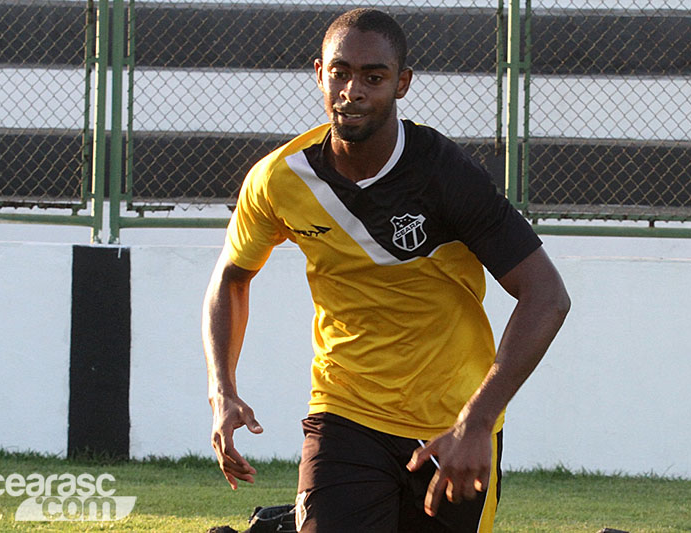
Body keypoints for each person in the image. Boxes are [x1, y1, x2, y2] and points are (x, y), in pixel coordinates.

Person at [202, 8, 570, 533]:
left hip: (454, 423)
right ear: (319, 74)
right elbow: (231, 277)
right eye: (340, 72)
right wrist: (223, 389)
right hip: (345, 412)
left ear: (402, 83)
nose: (352, 90)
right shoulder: (279, 180)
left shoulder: (447, 175)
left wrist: (479, 420)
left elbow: (546, 296)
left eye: (372, 77)